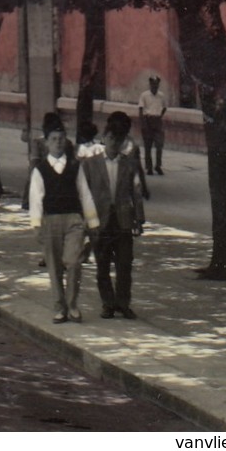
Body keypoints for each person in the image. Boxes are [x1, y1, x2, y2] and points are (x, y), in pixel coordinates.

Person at [28, 116, 100, 324]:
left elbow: (85, 194)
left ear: (65, 141)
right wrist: (36, 225)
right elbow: (36, 198)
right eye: (54, 139)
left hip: (73, 221)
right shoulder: (40, 170)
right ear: (47, 143)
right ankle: (59, 307)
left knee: (74, 261)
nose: (58, 142)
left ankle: (73, 304)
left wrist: (93, 222)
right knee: (54, 266)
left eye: (61, 138)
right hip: (50, 221)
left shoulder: (75, 167)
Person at [82, 111, 146, 319]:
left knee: (125, 264)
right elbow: (85, 193)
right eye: (110, 139)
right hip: (99, 219)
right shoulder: (91, 164)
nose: (114, 143)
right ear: (104, 138)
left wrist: (139, 218)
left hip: (123, 219)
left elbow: (135, 191)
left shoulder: (128, 163)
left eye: (118, 140)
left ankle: (123, 302)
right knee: (102, 264)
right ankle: (107, 303)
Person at [138, 75, 168, 176]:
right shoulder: (144, 95)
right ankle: (149, 167)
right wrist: (143, 124)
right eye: (153, 84)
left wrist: (159, 116)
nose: (155, 86)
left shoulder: (161, 96)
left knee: (159, 144)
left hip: (157, 120)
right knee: (148, 145)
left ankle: (158, 165)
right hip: (148, 120)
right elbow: (141, 109)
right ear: (150, 84)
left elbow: (164, 107)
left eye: (156, 85)